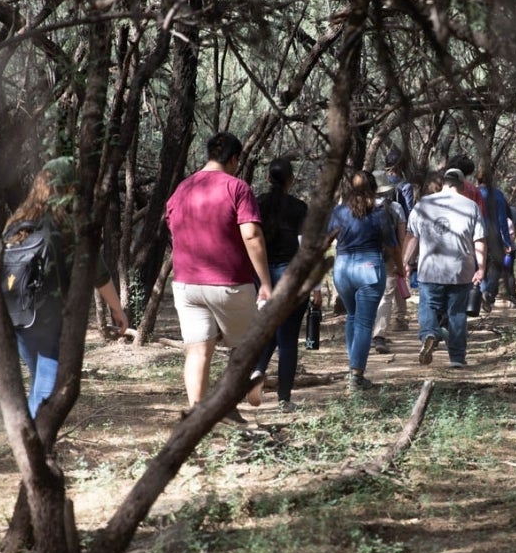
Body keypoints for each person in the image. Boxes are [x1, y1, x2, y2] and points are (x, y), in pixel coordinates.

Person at [0, 157, 129, 418]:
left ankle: (35, 440)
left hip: (18, 316)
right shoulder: (69, 225)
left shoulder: (16, 224)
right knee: (49, 385)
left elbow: (2, 275)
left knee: (41, 377)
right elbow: (99, 272)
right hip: (51, 318)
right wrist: (117, 309)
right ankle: (37, 441)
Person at [165, 132, 273, 409]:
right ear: (234, 158)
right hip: (230, 283)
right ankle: (252, 383)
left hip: (186, 285)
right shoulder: (237, 188)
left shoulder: (182, 189)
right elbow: (251, 235)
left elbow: (172, 229)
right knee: (248, 347)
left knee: (197, 351)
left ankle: (198, 417)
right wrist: (264, 281)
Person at [250, 157, 320, 413]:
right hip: (291, 278)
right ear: (291, 180)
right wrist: (315, 285)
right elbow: (306, 247)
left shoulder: (257, 205)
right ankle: (284, 399)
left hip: (261, 277)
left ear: (268, 178)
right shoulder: (299, 208)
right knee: (288, 338)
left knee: (270, 331)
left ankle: (257, 371)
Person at [328, 170, 404, 390]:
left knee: (352, 317)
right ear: (374, 189)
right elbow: (392, 245)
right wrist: (400, 268)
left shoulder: (339, 212)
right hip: (369, 266)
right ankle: (356, 376)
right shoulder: (379, 213)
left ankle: (354, 369)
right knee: (363, 323)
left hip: (342, 268)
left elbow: (326, 240)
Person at [404, 168, 486, 368]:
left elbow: (412, 236)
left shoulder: (423, 204)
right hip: (460, 270)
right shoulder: (471, 206)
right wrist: (481, 267)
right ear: (462, 184)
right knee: (457, 313)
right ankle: (457, 359)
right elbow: (479, 240)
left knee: (428, 306)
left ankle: (429, 333)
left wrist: (405, 262)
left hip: (430, 269)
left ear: (444, 183)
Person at [371, 170, 408, 355]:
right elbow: (401, 239)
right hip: (388, 258)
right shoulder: (396, 208)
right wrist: (401, 262)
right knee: (386, 296)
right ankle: (379, 335)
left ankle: (364, 333)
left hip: (365, 258)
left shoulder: (359, 207)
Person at [476, 165, 513, 311]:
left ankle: (483, 290)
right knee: (497, 266)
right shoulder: (497, 194)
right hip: (494, 235)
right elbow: (502, 219)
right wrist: (506, 240)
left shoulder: (473, 193)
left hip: (476, 235)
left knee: (479, 266)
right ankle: (489, 290)